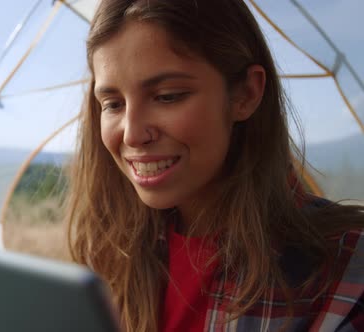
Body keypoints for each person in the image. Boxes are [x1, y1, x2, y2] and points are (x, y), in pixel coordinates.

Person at [64, 1, 364, 331]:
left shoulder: (347, 274)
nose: (132, 134)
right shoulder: (107, 257)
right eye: (113, 104)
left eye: (168, 96)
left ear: (246, 94)